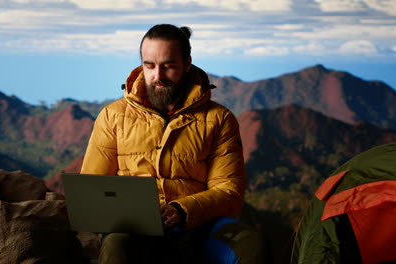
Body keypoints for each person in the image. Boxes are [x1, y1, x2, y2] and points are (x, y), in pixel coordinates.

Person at [81, 24, 265, 264]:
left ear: (187, 64)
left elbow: (229, 192)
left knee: (249, 242)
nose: (158, 75)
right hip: (133, 229)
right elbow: (93, 189)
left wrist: (181, 210)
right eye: (149, 65)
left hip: (200, 225)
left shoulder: (219, 119)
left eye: (168, 66)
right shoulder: (112, 116)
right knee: (117, 243)